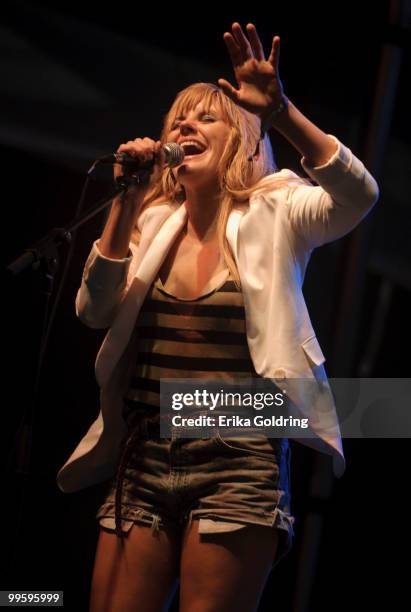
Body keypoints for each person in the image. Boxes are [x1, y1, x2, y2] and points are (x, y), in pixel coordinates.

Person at [56, 22, 379, 612]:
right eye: (178, 119)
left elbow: (358, 196)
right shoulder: (153, 220)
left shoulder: (277, 209)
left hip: (237, 461)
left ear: (243, 139)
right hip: (145, 457)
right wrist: (126, 201)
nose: (185, 127)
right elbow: (92, 310)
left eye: (205, 118)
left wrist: (280, 110)